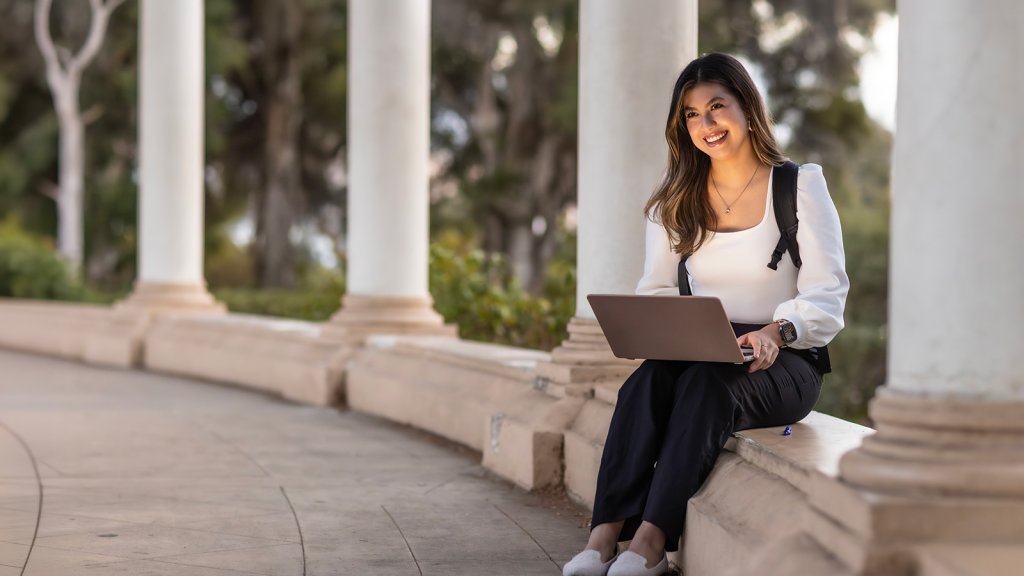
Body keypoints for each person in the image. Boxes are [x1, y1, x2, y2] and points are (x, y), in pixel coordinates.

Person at [562, 52, 849, 576]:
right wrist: (670, 329)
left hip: (784, 357)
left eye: (717, 107)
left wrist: (777, 331)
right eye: (692, 114)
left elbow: (829, 293)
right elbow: (654, 292)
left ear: (746, 108)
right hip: (702, 346)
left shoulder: (798, 185)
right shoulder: (674, 201)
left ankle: (650, 544)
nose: (706, 124)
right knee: (644, 384)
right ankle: (602, 537)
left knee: (706, 389)